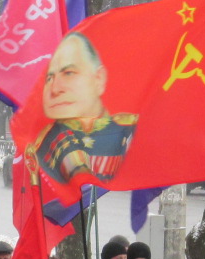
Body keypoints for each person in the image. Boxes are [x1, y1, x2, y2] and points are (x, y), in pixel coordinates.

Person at [30, 32, 137, 187]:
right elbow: (77, 175)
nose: (55, 88)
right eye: (49, 78)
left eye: (68, 73)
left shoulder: (128, 127)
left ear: (98, 78)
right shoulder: (50, 139)